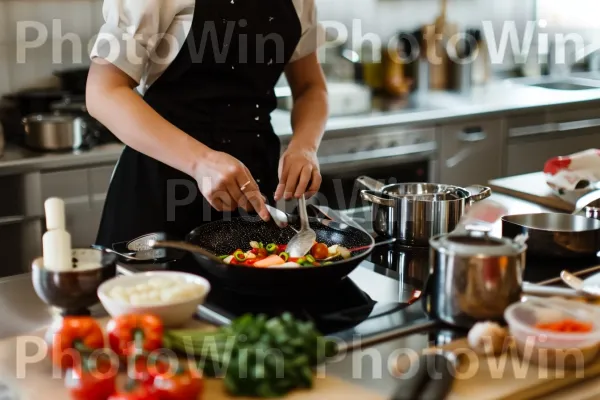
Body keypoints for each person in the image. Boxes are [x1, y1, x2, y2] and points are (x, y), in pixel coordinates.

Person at [87, 0, 328, 247]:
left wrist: (305, 146)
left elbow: (311, 87)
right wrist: (202, 162)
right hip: (161, 191)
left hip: (254, 192)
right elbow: (103, 92)